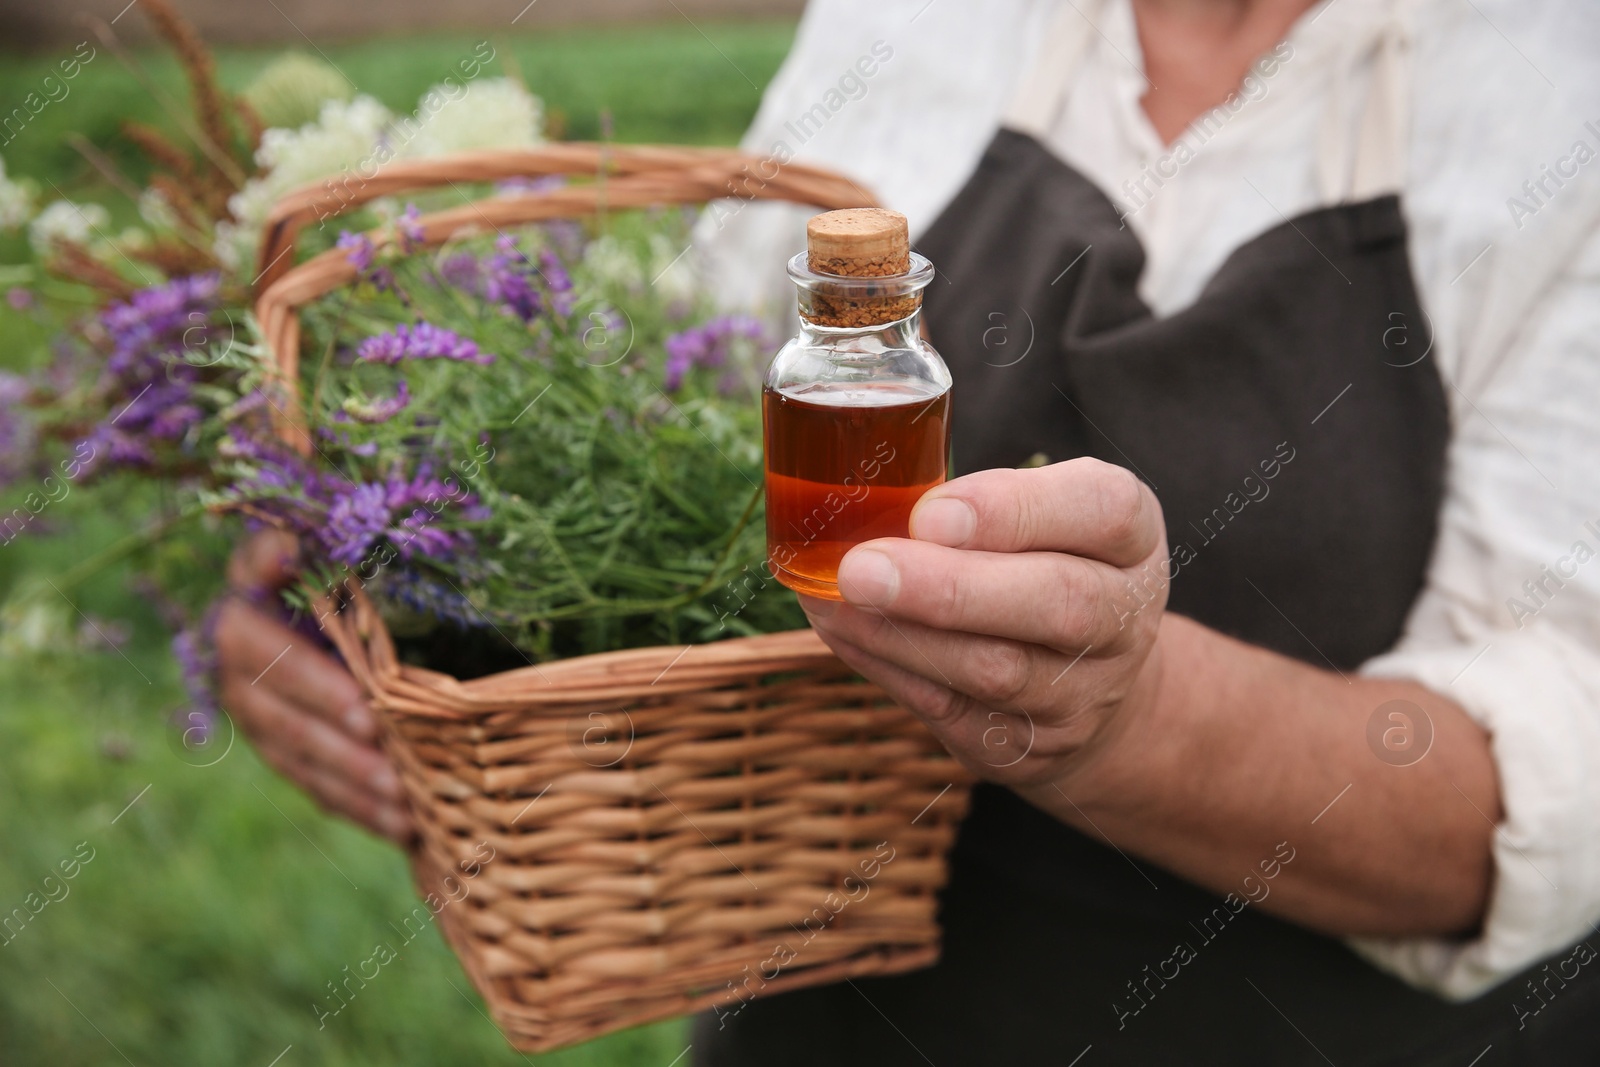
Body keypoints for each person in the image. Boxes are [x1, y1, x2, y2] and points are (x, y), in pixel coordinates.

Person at [218, 0, 1600, 1061]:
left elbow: (1544, 776)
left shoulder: (1552, 84)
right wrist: (387, 604)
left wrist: (1126, 716)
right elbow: (677, 409)